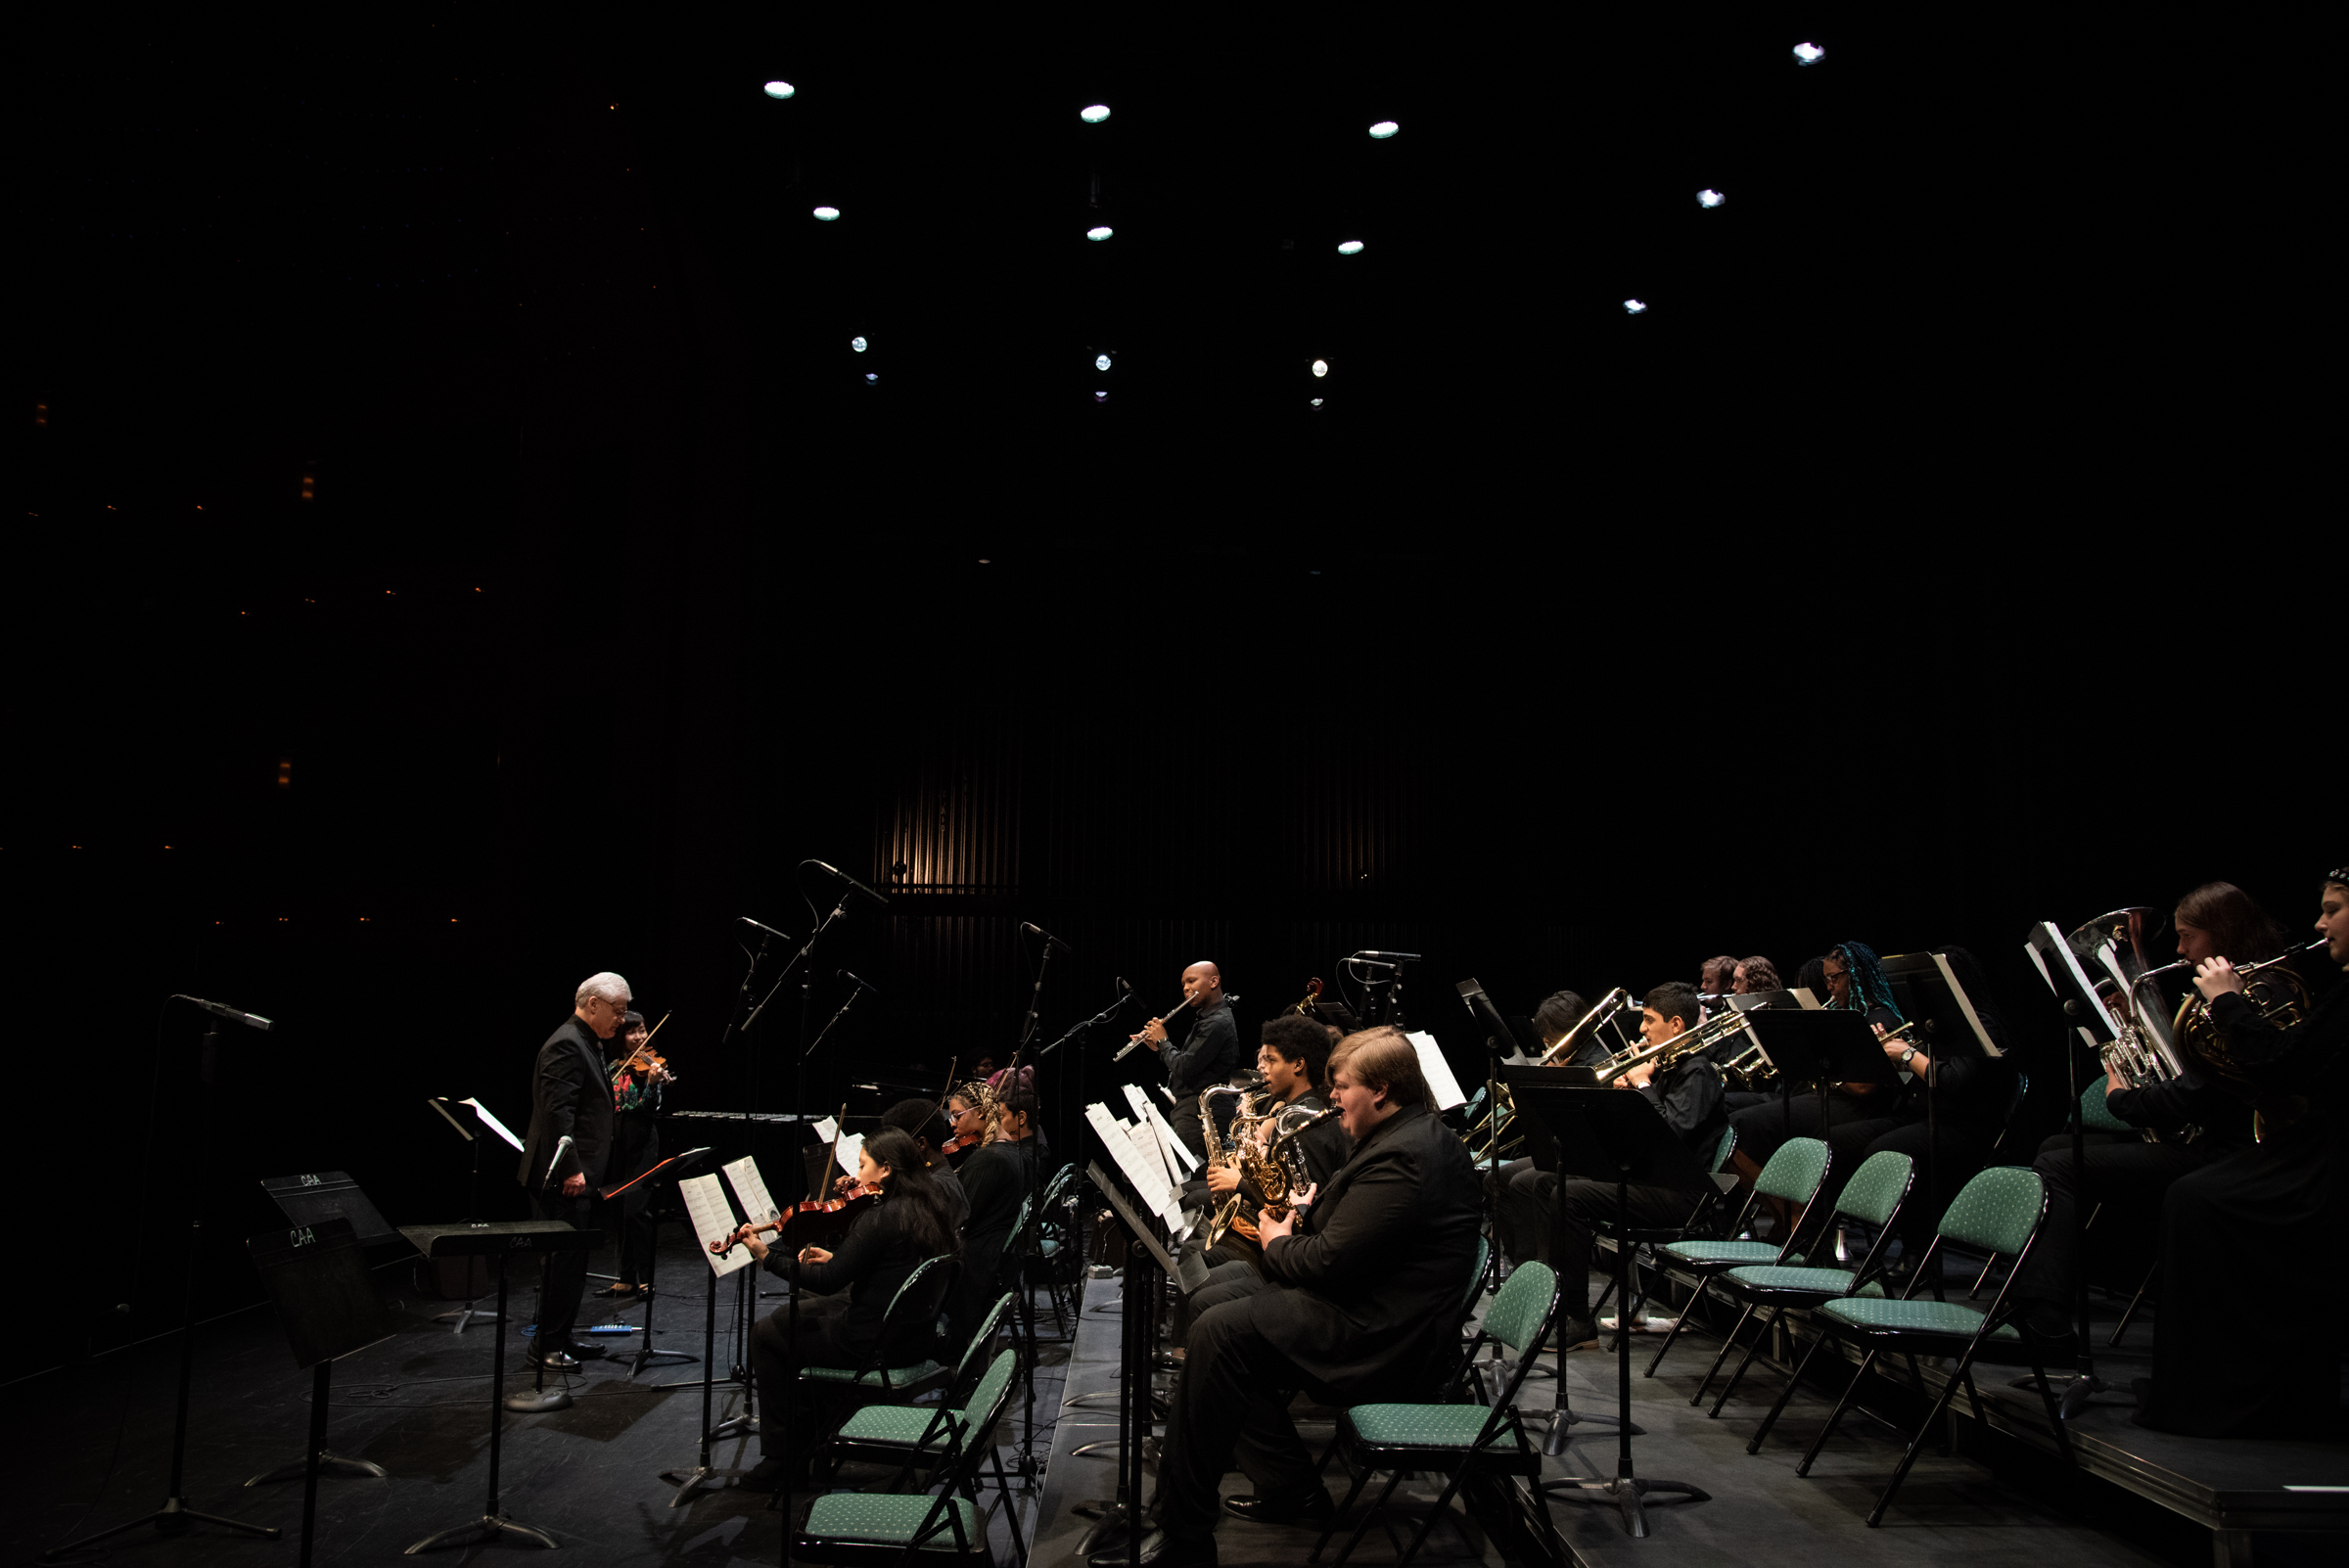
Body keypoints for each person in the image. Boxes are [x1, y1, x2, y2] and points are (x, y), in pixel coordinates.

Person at [1098, 1027, 1482, 1568]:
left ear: (1381, 1090)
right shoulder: (1404, 1136)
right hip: (1369, 1305)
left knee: (1219, 1334)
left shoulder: (1406, 1156)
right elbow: (1355, 1237)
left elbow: (1324, 1263)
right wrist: (1304, 1211)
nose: (1332, 1098)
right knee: (1216, 1308)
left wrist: (1279, 1240)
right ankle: (1287, 1486)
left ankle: (1183, 1534)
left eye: (1341, 1087)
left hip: (1381, 1337)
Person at [2133, 867, 2346, 1437]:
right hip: (2312, 1148)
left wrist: (2228, 1002)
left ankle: (2228, 1393)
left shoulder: (2287, 989)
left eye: (2332, 909)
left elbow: (2277, 1066)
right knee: (2192, 1199)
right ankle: (2211, 1385)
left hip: (2324, 1161)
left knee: (2197, 1201)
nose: (2319, 923)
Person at [1496, 981, 1729, 1347]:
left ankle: (1576, 1318)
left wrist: (1642, 1087)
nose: (1642, 1029)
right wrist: (1625, 1096)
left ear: (1676, 1025)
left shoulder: (1698, 1072)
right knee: (1538, 1182)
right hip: (1646, 1176)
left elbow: (1669, 1135)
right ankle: (1545, 1299)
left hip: (1680, 1192)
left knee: (1567, 1196)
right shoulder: (1666, 1064)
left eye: (1649, 1020)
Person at [727, 1126, 961, 1487]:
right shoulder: (930, 1207)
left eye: (863, 1165)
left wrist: (767, 1257)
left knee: (766, 1333)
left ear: (886, 1169)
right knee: (800, 1312)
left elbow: (828, 1280)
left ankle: (782, 1461)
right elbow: (887, 1265)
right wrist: (839, 1259)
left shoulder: (881, 1217)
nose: (857, 1174)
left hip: (871, 1345)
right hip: (916, 1339)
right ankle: (816, 1436)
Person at [518, 971, 628, 1370]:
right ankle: (545, 1346)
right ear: (593, 1004)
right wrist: (570, 1170)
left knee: (573, 1265)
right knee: (561, 1265)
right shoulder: (566, 1043)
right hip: (561, 1178)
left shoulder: (586, 1040)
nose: (622, 1019)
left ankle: (561, 1337)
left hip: (578, 1176)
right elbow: (557, 1113)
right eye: (618, 1011)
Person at [1729, 942, 1903, 1173]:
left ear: (1856, 975)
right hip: (1828, 1096)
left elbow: (1864, 1088)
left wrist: (1819, 1063)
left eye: (1834, 978)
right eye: (1826, 979)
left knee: (1748, 1124)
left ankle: (1781, 1195)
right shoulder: (1841, 1015)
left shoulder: (1880, 1019)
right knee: (1738, 1120)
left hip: (1858, 1106)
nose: (1829, 986)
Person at [948, 1088, 1035, 1343]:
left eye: (957, 1115)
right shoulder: (1011, 1149)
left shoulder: (989, 1159)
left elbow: (958, 1215)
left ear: (981, 1112)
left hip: (977, 1264)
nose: (952, 1124)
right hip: (995, 1256)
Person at [601, 1010, 676, 1298]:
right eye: (632, 1032)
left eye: (642, 1030)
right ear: (620, 1036)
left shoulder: (650, 1067)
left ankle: (646, 1278)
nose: (639, 1037)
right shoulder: (611, 1068)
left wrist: (654, 1084)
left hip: (642, 1141)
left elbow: (649, 1109)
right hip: (617, 1143)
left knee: (636, 1212)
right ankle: (626, 1278)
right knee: (621, 1212)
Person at [1134, 962, 1239, 1162]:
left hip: (1202, 1114)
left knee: (1178, 1174)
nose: (1186, 988)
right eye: (1183, 984)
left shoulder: (1217, 1023)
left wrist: (1163, 1042)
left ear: (1213, 981)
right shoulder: (1208, 1019)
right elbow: (1188, 1064)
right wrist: (1159, 1047)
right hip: (1193, 1111)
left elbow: (1184, 1068)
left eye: (1191, 981)